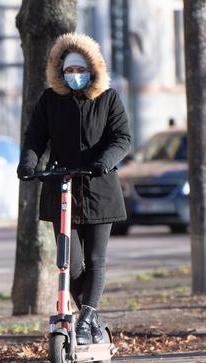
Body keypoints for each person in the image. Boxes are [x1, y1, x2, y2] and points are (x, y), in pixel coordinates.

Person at [16, 33, 131, 345]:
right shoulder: (50, 101)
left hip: (99, 188)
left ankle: (87, 318)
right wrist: (28, 163)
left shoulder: (108, 99)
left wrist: (105, 161)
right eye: (68, 71)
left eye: (80, 70)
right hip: (62, 186)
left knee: (96, 259)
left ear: (92, 70)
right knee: (72, 262)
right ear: (60, 72)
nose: (74, 76)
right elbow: (35, 137)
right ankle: (92, 316)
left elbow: (122, 138)